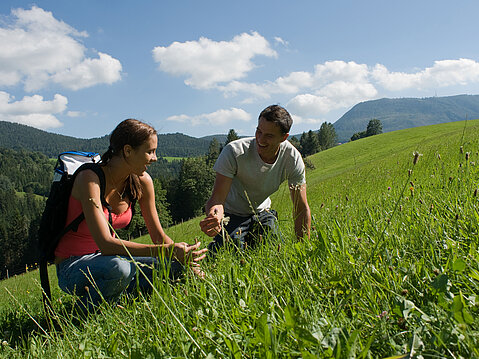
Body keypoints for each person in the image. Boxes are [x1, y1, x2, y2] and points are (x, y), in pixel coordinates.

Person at [54, 119, 207, 309]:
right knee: (120, 269)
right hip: (74, 265)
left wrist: (181, 258)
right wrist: (164, 251)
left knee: (174, 268)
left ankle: (118, 298)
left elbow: (158, 237)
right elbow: (106, 244)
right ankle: (77, 315)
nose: (155, 158)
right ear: (127, 151)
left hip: (112, 259)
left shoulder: (142, 182)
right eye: (150, 151)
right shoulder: (89, 179)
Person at [200, 105, 311, 253]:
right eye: (258, 131)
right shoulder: (234, 151)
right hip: (232, 214)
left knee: (273, 249)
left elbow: (301, 207)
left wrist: (303, 250)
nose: (260, 139)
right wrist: (214, 217)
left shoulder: (292, 158)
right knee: (231, 250)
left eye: (269, 136)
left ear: (284, 137)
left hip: (262, 212)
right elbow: (217, 199)